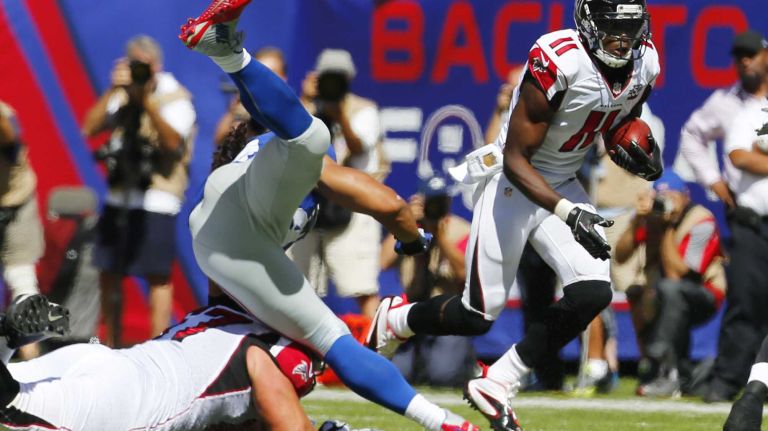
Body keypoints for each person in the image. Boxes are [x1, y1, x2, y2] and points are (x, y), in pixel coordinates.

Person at [180, 1, 478, 430]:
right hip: (238, 233)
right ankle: (444, 422)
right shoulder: (303, 160)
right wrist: (411, 239)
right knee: (313, 137)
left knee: (288, 356)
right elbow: (390, 204)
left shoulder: (251, 159)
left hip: (217, 235)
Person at [368, 0, 663, 429]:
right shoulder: (559, 59)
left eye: (631, 28)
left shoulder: (645, 62)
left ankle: (500, 381)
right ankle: (396, 320)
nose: (624, 39)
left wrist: (634, 144)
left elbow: (620, 115)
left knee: (594, 292)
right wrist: (567, 212)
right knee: (477, 315)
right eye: (612, 28)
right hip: (513, 181)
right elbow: (516, 159)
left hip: (562, 178)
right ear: (587, 24)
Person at [0, 292, 356, 431]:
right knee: (12, 404)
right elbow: (289, 425)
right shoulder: (265, 359)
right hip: (130, 404)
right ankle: (8, 340)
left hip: (104, 360)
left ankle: (7, 343)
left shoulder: (226, 312)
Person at [82, 35, 197, 346]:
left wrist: (146, 100)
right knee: (108, 271)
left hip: (158, 198)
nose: (138, 72)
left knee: (157, 276)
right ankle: (110, 345)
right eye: (133, 64)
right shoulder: (121, 94)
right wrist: (114, 90)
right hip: (119, 195)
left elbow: (173, 144)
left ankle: (156, 345)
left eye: (143, 66)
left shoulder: (176, 98)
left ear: (157, 66)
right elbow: (89, 128)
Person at [289, 48, 388, 319]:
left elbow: (357, 148)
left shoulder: (364, 109)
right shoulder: (307, 108)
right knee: (300, 286)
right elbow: (289, 138)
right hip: (312, 202)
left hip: (354, 207)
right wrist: (306, 101)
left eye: (338, 79)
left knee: (362, 287)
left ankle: (373, 353)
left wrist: (339, 113)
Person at [614, 170, 725, 397]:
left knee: (669, 289)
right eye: (660, 197)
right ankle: (653, 366)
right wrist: (638, 219)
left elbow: (678, 274)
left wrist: (669, 227)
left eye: (671, 196)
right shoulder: (652, 218)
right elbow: (621, 255)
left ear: (685, 196)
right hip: (667, 292)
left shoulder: (701, 220)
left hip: (705, 295)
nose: (665, 203)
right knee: (638, 291)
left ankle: (666, 369)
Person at [705, 71, 768, 403]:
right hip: (754, 226)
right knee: (746, 302)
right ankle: (728, 380)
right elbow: (739, 156)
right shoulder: (751, 114)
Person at [380, 175, 474, 387]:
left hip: (446, 315)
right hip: (412, 312)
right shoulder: (407, 227)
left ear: (448, 202)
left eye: (439, 202)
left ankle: (466, 363)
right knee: (396, 375)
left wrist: (440, 238)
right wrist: (405, 221)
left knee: (443, 377)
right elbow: (383, 261)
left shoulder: (461, 230)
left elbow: (464, 274)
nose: (434, 207)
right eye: (430, 202)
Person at [676, 30, 768, 209]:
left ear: (766, 55)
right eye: (739, 57)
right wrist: (712, 179)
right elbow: (691, 135)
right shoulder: (724, 102)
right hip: (745, 211)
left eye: (751, 54)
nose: (745, 61)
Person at [0, 101, 46, 360]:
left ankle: (33, 362)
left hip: (15, 206)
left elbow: (10, 139)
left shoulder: (5, 114)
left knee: (22, 281)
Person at [213, 46, 288, 146]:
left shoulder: (292, 111)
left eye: (271, 73)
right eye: (260, 73)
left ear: (283, 78)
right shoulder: (246, 104)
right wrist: (235, 112)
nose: (265, 79)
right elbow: (220, 141)